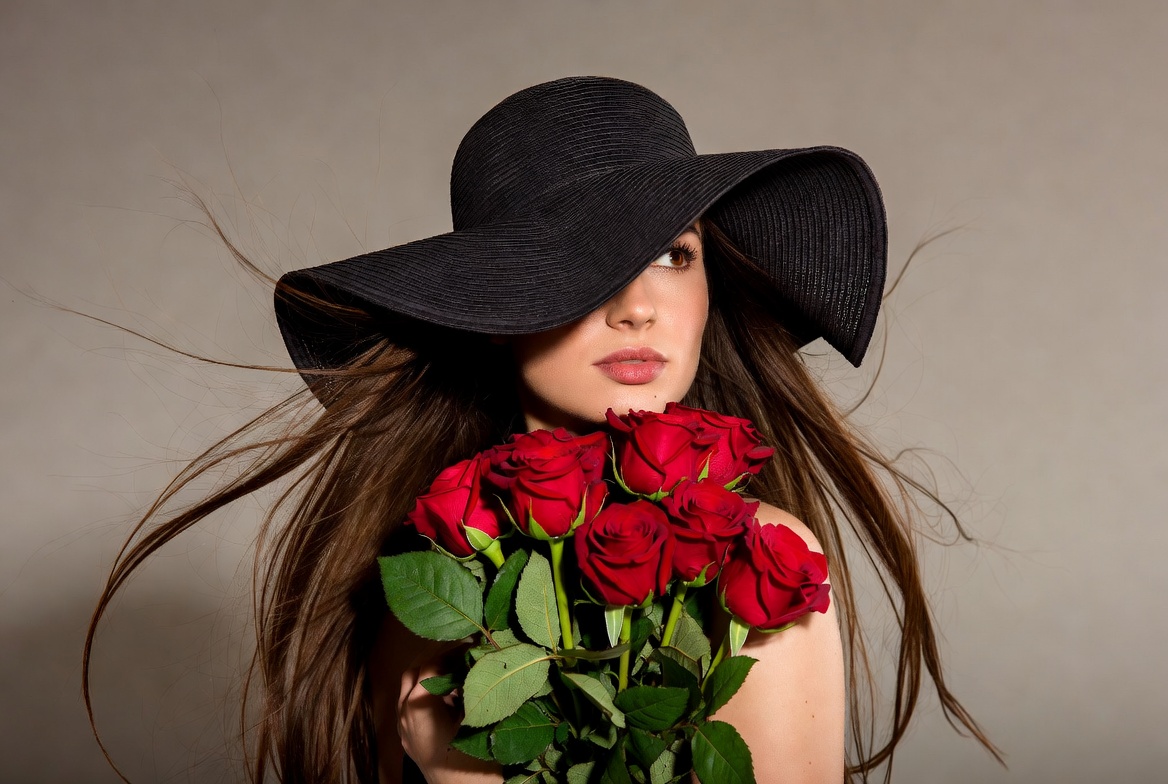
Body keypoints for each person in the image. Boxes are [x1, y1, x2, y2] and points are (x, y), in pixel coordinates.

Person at [85, 76, 999, 783]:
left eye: (671, 254)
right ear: (491, 307)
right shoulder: (424, 577)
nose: (638, 307)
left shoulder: (758, 564)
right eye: (580, 262)